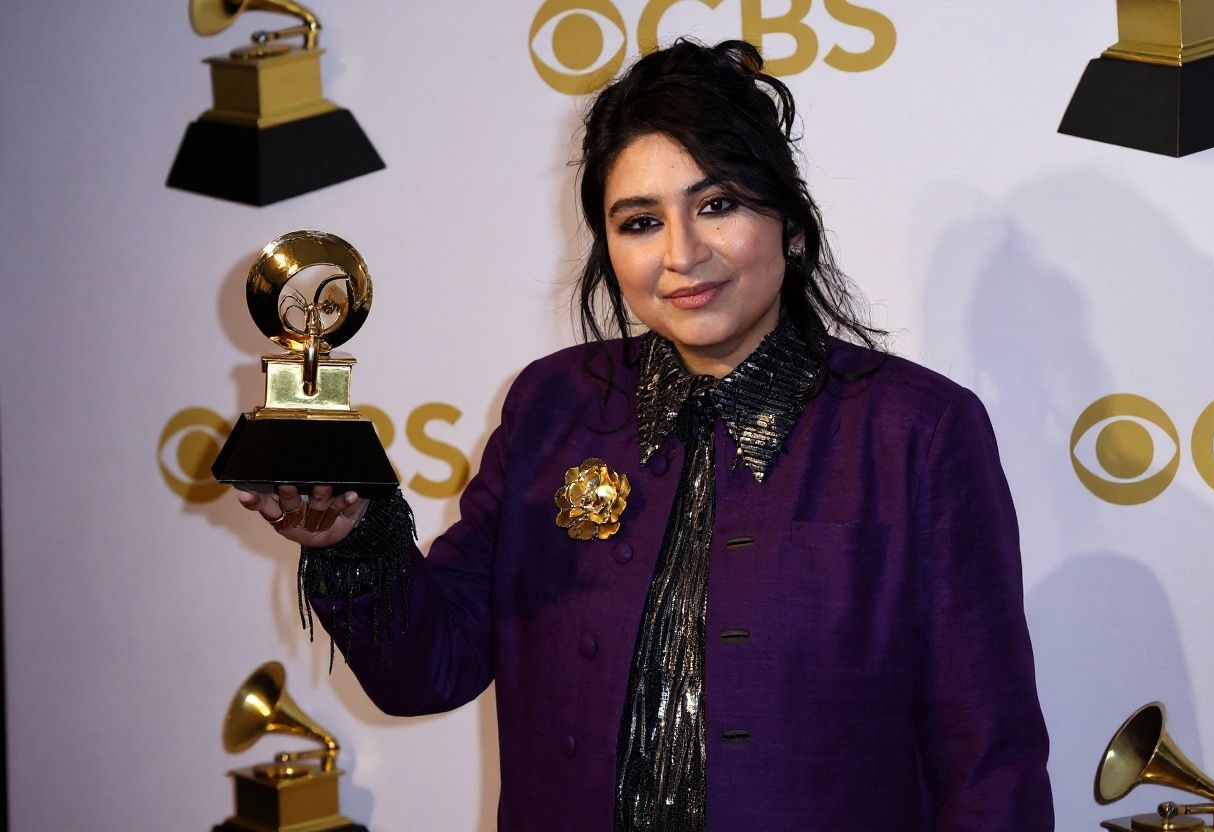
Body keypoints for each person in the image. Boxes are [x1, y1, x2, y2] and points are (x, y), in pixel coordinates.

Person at [238, 39, 1054, 832]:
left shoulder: (916, 431)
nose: (681, 254)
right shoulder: (553, 406)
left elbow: (991, 763)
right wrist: (352, 543)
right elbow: (429, 669)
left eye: (717, 205)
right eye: (639, 222)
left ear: (792, 224)